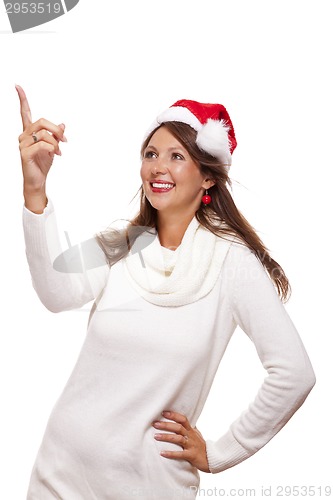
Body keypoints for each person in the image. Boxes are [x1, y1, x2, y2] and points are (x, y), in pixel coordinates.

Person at [17, 84, 316, 500]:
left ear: (208, 175)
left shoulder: (232, 262)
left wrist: (220, 452)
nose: (158, 167)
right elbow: (56, 294)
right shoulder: (120, 243)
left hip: (148, 488)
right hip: (59, 475)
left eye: (177, 156)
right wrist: (35, 191)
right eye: (151, 154)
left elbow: (295, 373)